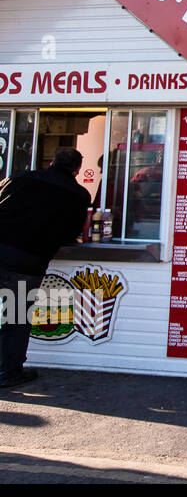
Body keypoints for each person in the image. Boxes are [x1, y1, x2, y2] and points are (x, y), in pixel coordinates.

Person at [0, 148, 93, 389]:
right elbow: (71, 234)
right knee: (16, 317)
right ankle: (9, 372)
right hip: (27, 263)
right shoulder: (79, 195)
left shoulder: (23, 179)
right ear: (77, 170)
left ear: (52, 162)